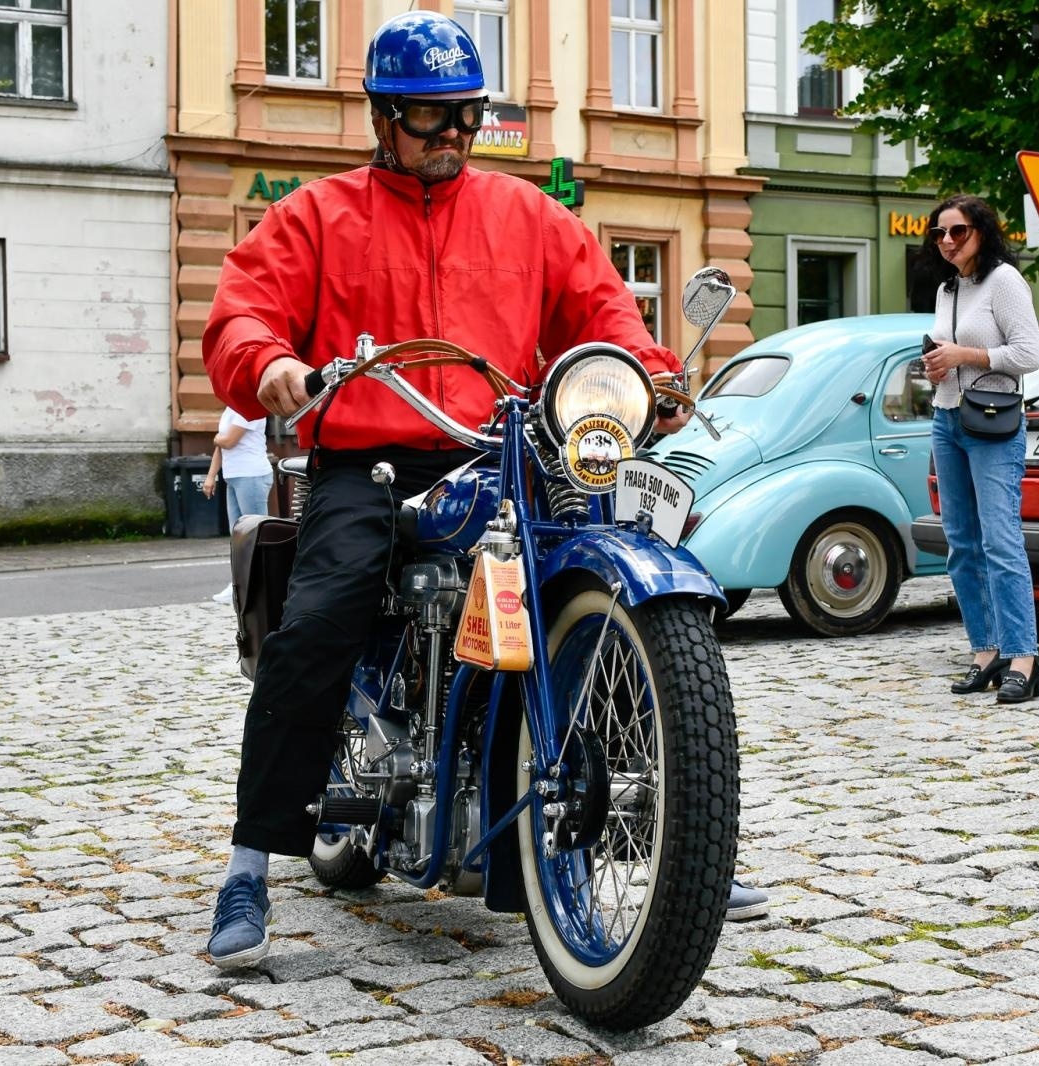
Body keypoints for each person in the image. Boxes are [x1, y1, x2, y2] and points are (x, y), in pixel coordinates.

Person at [199, 11, 767, 971]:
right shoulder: (316, 214)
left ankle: (675, 850)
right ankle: (251, 863)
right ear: (383, 117)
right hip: (373, 460)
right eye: (431, 118)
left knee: (594, 587)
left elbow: (604, 313)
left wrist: (648, 375)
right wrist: (270, 366)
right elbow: (242, 311)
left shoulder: (529, 215)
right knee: (322, 619)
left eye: (466, 115)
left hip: (505, 448)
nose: (454, 135)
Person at [919, 194, 1039, 704]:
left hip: (992, 422)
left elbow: (1029, 354)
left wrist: (965, 354)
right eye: (939, 233)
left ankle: (1024, 658)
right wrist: (935, 364)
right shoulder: (948, 288)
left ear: (982, 232)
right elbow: (944, 349)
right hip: (947, 418)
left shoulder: (1004, 282)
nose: (948, 241)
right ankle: (985, 651)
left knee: (1000, 541)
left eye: (959, 231)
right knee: (962, 545)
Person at [200, 403, 273, 604]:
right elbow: (220, 446)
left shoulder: (251, 407)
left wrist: (218, 438)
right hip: (233, 476)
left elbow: (229, 441)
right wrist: (211, 476)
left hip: (251, 475)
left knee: (256, 535)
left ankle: (261, 587)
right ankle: (237, 585)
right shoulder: (231, 409)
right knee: (238, 536)